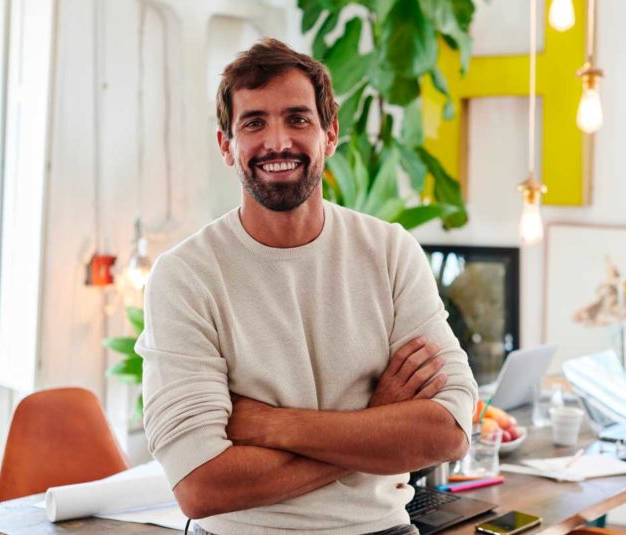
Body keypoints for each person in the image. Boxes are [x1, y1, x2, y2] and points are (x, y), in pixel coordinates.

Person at [137, 38, 477, 535]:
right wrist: (376, 420)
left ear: (330, 134)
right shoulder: (185, 276)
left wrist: (270, 424)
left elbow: (448, 431)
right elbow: (200, 487)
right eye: (254, 123)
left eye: (298, 119)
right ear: (226, 145)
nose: (278, 142)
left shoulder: (389, 251)